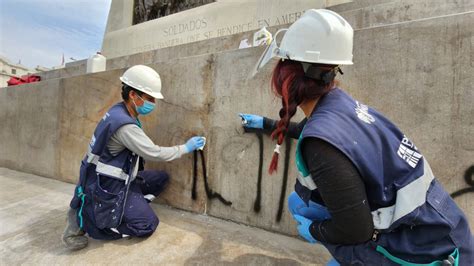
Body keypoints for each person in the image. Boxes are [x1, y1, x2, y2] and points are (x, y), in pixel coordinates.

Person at [241, 9, 473, 265]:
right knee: (299, 202)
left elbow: (356, 230)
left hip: (428, 251)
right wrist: (264, 123)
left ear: (286, 78)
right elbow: (310, 130)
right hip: (435, 226)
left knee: (323, 227)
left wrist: (315, 231)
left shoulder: (320, 145)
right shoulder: (338, 105)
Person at [62, 65, 206, 250]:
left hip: (122, 180)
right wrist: (186, 147)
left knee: (161, 178)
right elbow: (154, 152)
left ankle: (130, 205)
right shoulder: (125, 126)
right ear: (133, 95)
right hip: (109, 186)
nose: (153, 103)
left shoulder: (120, 111)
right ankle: (94, 223)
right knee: (147, 224)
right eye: (149, 98)